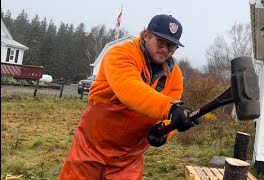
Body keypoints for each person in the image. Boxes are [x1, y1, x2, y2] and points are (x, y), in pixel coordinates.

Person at [58, 14, 198, 180]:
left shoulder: (175, 75)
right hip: (90, 151)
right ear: (146, 35)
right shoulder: (121, 54)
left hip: (128, 160)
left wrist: (166, 130)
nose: (166, 50)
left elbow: (172, 111)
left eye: (172, 46)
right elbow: (129, 88)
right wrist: (170, 109)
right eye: (161, 42)